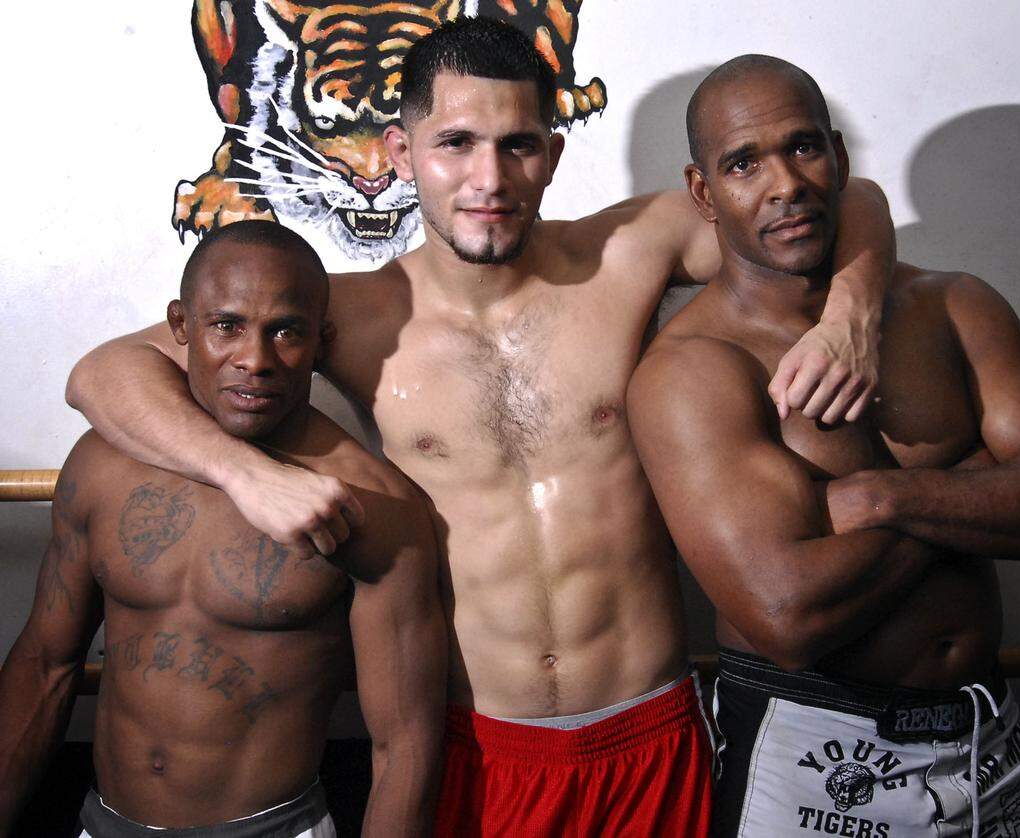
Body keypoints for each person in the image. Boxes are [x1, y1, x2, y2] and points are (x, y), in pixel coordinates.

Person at [65, 18, 895, 835]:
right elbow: (102, 373)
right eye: (455, 143)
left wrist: (853, 308)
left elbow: (841, 195)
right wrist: (246, 473)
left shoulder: (632, 250)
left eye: (518, 146)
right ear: (401, 154)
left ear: (554, 154)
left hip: (650, 737)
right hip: (476, 747)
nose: (488, 178)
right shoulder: (349, 315)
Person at [627, 55, 1020, 838]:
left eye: (803, 147)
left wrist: (884, 497)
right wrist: (986, 483)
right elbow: (788, 614)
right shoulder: (693, 371)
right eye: (744, 163)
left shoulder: (952, 305)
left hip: (987, 737)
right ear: (704, 193)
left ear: (840, 156)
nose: (785, 182)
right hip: (818, 754)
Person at [0, 222, 445, 838]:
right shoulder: (102, 466)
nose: (255, 360)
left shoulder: (374, 508)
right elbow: (45, 665)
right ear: (181, 328)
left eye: (285, 331)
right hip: (102, 822)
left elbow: (405, 749)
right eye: (227, 326)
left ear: (323, 341)